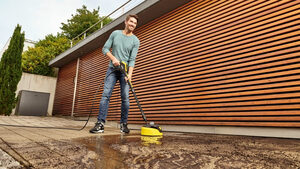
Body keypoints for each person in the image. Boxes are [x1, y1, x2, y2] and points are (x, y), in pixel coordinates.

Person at [90, 14, 140, 134]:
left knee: (125, 98)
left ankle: (123, 124)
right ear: (126, 22)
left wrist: (130, 75)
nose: (133, 24)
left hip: (125, 72)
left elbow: (132, 59)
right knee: (105, 95)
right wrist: (113, 58)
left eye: (135, 23)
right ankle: (100, 124)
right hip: (112, 70)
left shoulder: (135, 41)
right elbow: (105, 49)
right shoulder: (115, 34)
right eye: (131, 22)